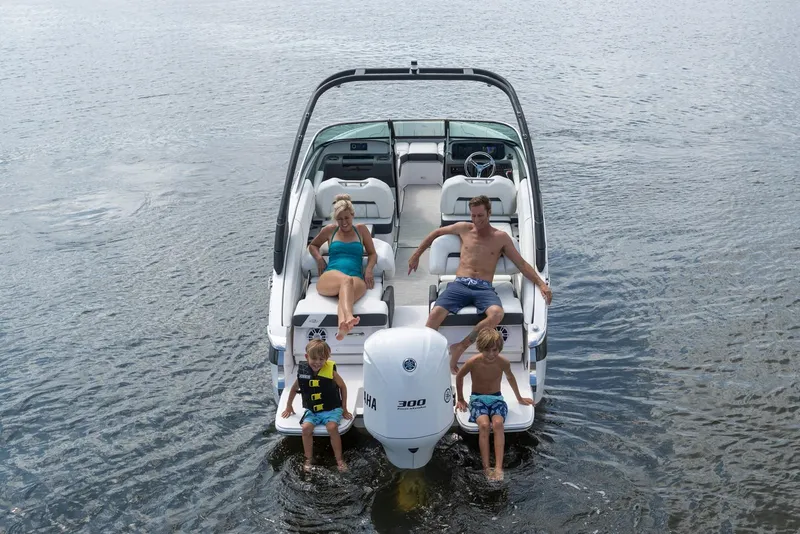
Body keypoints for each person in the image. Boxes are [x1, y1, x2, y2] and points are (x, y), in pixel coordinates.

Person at [408, 195, 552, 373]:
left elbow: (521, 264)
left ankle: (460, 347)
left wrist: (541, 284)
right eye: (473, 216)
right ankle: (424, 357)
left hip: (483, 287)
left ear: (489, 213)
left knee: (497, 314)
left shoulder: (501, 238)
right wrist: (416, 255)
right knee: (435, 313)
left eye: (480, 216)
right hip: (459, 284)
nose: (476, 220)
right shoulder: (464, 228)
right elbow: (436, 233)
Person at [455, 329, 534, 481]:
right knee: (484, 425)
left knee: (498, 423)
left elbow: (510, 378)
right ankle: (486, 468)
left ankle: (498, 467)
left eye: (494, 350)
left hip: (497, 398)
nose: (491, 354)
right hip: (478, 399)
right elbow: (459, 376)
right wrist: (460, 398)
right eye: (487, 350)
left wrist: (519, 398)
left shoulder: (503, 362)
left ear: (499, 349)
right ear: (480, 348)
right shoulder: (473, 362)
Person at [308, 193, 378, 340]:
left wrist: (369, 270)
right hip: (331, 275)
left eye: (346, 218)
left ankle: (343, 326)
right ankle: (349, 316)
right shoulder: (329, 230)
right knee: (345, 281)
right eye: (340, 219)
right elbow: (313, 245)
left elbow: (372, 254)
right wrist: (319, 258)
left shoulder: (361, 230)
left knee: (345, 293)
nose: (344, 222)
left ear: (352, 215)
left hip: (356, 278)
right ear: (336, 219)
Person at [281, 339, 353, 472]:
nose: (318, 362)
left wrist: (344, 408)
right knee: (306, 429)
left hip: (332, 409)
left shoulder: (331, 372)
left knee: (332, 427)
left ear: (327, 358)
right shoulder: (303, 373)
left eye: (322, 359)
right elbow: (293, 389)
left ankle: (339, 460)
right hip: (313, 411)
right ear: (307, 357)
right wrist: (288, 406)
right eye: (314, 358)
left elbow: (343, 387)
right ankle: (308, 459)